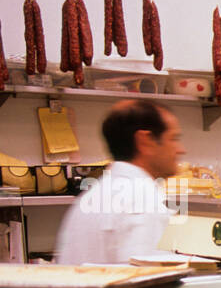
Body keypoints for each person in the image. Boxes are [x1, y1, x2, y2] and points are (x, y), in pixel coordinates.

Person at [55, 99, 185, 264]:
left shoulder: (90, 197)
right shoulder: (142, 201)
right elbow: (146, 282)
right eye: (174, 138)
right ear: (145, 141)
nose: (181, 149)